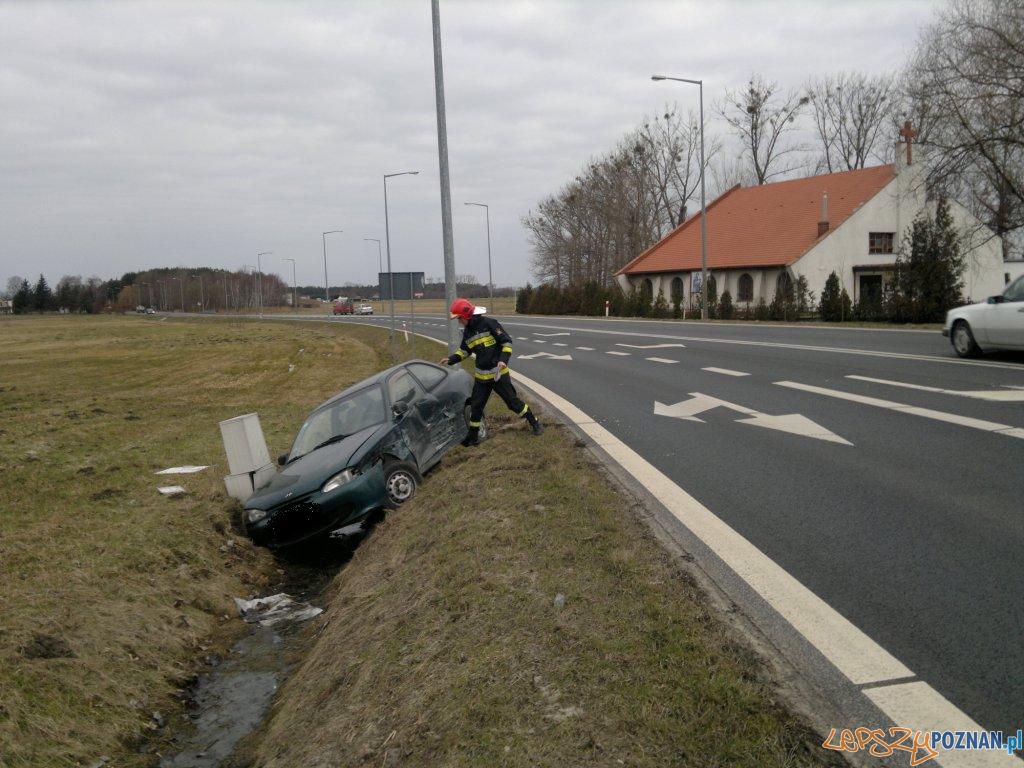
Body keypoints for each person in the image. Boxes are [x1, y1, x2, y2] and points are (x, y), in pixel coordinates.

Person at [440, 298, 542, 446]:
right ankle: (473, 437)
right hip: (482, 376)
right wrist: (451, 359)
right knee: (476, 407)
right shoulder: (467, 332)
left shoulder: (489, 324)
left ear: (467, 315)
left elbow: (506, 342)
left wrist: (503, 360)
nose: (459, 322)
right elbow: (464, 351)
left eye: (459, 318)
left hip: (498, 374)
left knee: (513, 403)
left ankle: (535, 422)